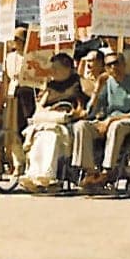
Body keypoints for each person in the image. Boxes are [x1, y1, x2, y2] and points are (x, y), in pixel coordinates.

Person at [73, 52, 130, 189]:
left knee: (116, 126)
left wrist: (111, 120)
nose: (113, 67)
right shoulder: (107, 84)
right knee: (81, 126)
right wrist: (97, 89)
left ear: (124, 65)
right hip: (107, 120)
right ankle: (90, 170)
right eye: (109, 65)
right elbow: (92, 112)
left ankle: (107, 170)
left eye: (116, 63)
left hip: (129, 121)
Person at [20, 54, 88, 191]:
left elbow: (82, 107)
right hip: (49, 118)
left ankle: (47, 174)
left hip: (67, 120)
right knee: (40, 135)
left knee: (52, 136)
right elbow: (41, 106)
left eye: (56, 68)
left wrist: (73, 114)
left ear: (67, 68)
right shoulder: (50, 86)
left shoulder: (77, 83)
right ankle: (33, 173)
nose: (52, 72)